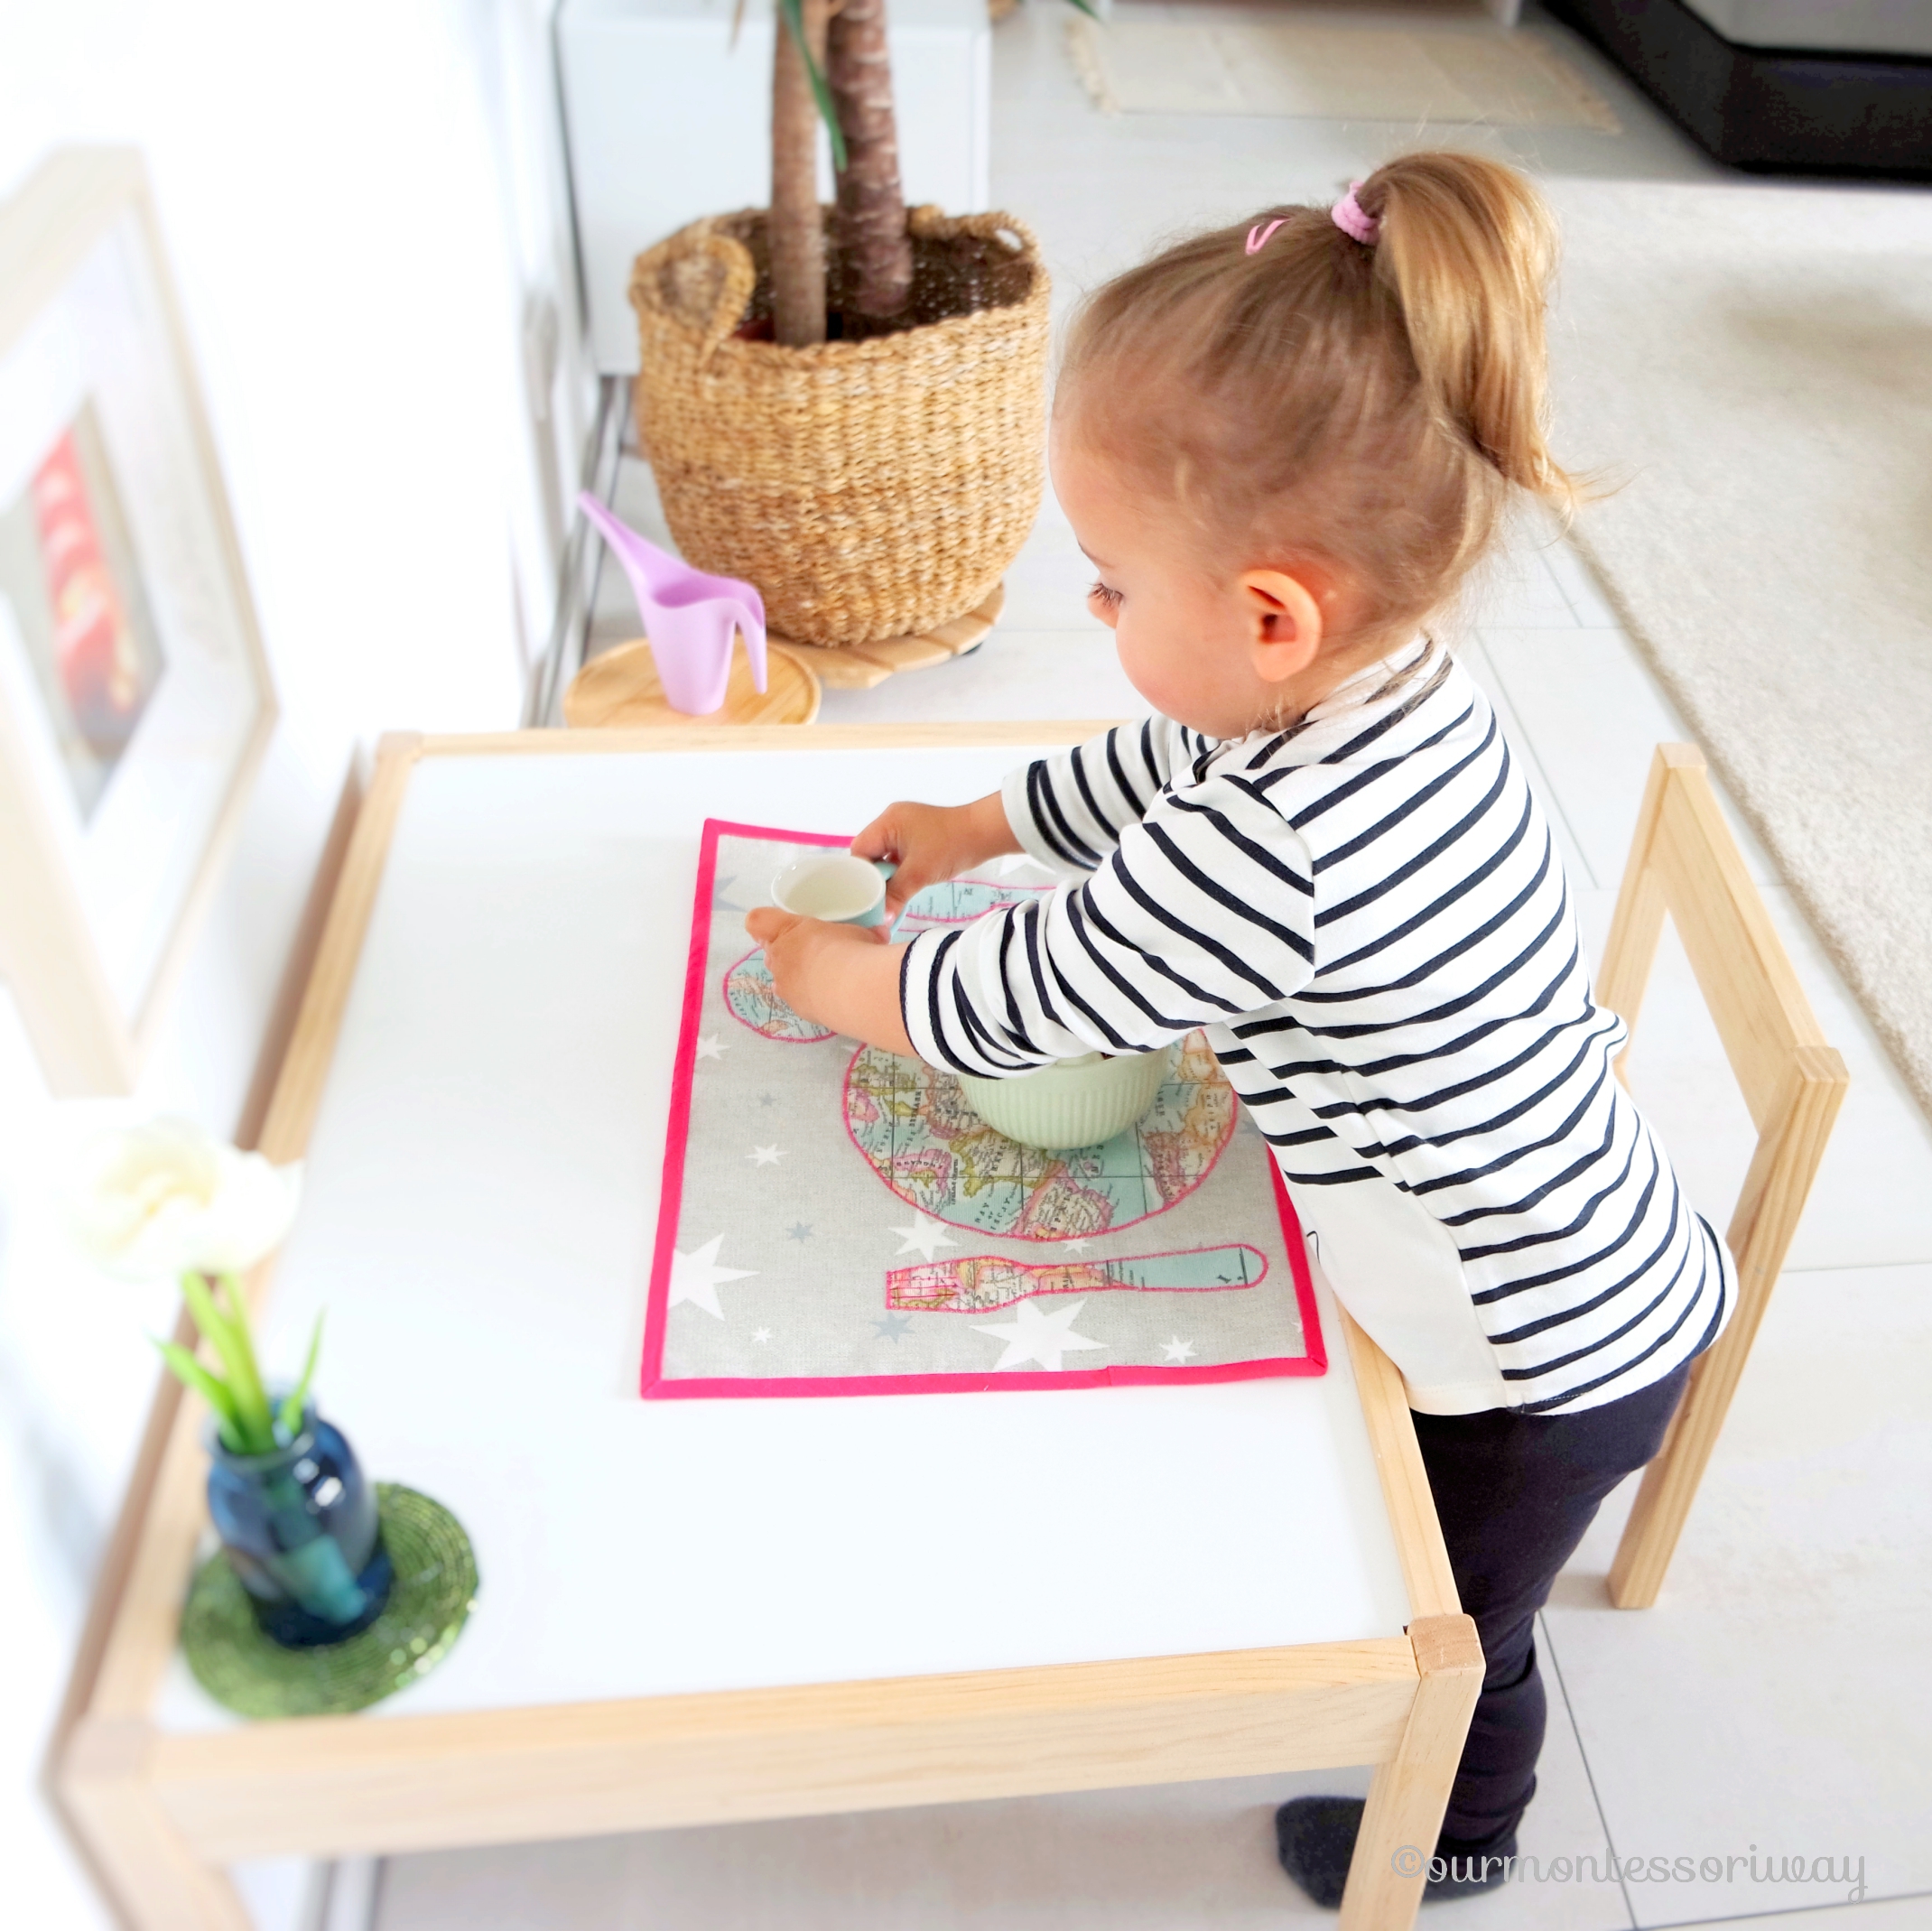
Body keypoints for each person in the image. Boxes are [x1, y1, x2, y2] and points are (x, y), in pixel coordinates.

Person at [744, 153, 1732, 1908]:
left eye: (1111, 585)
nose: (1095, 613)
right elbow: (1153, 766)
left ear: (1271, 613)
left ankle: (1466, 1827)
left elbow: (1009, 1000)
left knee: (1459, 1621)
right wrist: (985, 820)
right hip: (1602, 1225)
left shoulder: (1278, 847)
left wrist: (833, 982)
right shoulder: (1378, 683)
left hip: (1530, 1360)